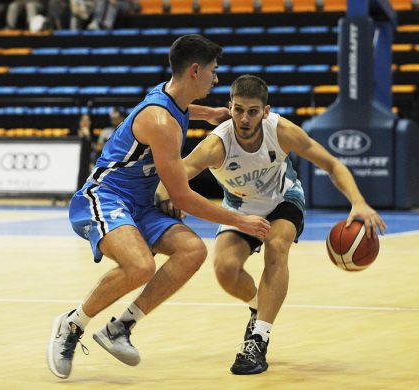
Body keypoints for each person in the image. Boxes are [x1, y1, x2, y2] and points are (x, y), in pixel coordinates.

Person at [46, 35, 271, 379]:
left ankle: (120, 328)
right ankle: (72, 325)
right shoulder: (162, 123)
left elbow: (179, 109)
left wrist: (206, 112)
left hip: (140, 202)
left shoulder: (172, 99)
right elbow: (180, 197)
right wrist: (240, 221)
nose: (216, 78)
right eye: (212, 71)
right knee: (140, 265)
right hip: (106, 197)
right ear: (195, 70)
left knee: (192, 250)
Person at [155, 74, 387, 375]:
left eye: (253, 111)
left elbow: (332, 164)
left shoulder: (282, 132)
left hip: (284, 200)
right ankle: (258, 305)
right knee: (225, 270)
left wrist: (358, 201)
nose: (244, 118)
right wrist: (165, 196)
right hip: (240, 209)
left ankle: (258, 340)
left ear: (265, 111)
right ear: (230, 107)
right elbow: (173, 175)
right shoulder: (216, 145)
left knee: (277, 247)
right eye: (238, 109)